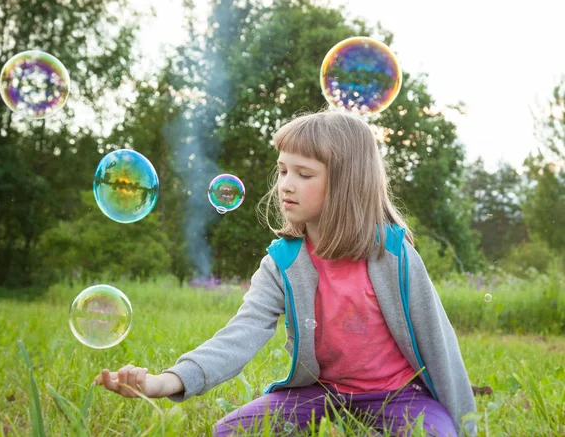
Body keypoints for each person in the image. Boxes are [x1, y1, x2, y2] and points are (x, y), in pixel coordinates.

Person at [94, 110, 477, 436]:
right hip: (321, 392)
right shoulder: (283, 261)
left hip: (399, 396)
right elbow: (241, 334)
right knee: (227, 431)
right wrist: (167, 380)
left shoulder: (392, 253)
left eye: (304, 174)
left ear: (346, 183)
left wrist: (463, 422)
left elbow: (438, 342)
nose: (285, 185)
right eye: (282, 171)